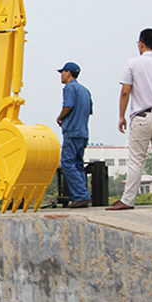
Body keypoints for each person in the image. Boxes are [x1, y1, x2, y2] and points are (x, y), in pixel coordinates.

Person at [108, 28, 152, 212]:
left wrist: (121, 116)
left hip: (142, 117)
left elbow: (125, 91)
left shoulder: (132, 64)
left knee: (136, 160)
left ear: (141, 44)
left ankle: (128, 200)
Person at [56, 62, 93, 208]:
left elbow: (68, 106)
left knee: (67, 163)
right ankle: (82, 195)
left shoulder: (69, 88)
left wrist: (60, 118)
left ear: (69, 73)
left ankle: (81, 195)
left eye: (63, 72)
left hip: (72, 132)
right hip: (83, 132)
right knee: (78, 164)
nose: (61, 75)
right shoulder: (85, 90)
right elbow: (88, 111)